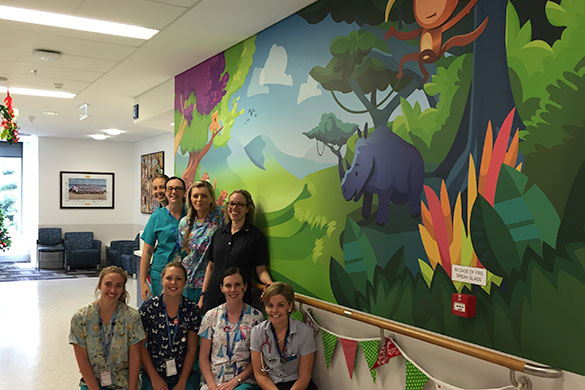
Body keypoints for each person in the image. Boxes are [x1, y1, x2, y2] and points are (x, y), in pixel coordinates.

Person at [69, 266, 145, 390]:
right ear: (100, 285)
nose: (113, 290)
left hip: (124, 384)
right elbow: (82, 360)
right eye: (108, 284)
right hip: (93, 382)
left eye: (118, 286)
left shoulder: (132, 317)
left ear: (123, 289)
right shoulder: (81, 318)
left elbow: (135, 357)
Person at [201, 190, 273, 313]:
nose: (235, 208)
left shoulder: (255, 236)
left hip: (238, 298)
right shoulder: (219, 233)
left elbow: (261, 270)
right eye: (231, 203)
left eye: (240, 204)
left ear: (247, 209)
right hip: (213, 297)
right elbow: (211, 267)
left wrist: (270, 283)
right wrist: (203, 295)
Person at [199, 267, 265, 390]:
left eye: (237, 285)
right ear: (222, 288)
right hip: (214, 381)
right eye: (228, 285)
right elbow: (203, 357)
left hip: (243, 382)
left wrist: (235, 381)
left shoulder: (256, 318)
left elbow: (258, 360)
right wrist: (212, 386)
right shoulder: (210, 316)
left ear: (244, 287)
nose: (233, 289)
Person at [139, 262, 201, 390]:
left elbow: (192, 348)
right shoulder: (148, 308)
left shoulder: (192, 310)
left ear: (185, 282)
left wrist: (182, 382)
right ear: (162, 280)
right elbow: (141, 346)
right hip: (154, 372)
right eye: (169, 278)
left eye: (178, 279)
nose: (173, 282)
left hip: (184, 374)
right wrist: (154, 377)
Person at [250, 282, 317, 390]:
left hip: (298, 385)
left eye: (280, 305)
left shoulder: (305, 332)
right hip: (271, 386)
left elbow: (304, 376)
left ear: (289, 306)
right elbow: (260, 375)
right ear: (265, 307)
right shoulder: (257, 332)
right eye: (270, 305)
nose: (275, 310)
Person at [141, 176, 188, 300]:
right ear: (167, 192)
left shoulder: (192, 214)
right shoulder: (157, 217)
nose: (173, 192)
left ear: (184, 192)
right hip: (161, 272)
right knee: (161, 310)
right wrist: (142, 283)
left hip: (187, 272)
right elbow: (147, 251)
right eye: (170, 189)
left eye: (178, 189)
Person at [179, 180, 224, 306]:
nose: (199, 200)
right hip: (189, 280)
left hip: (213, 280)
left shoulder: (220, 216)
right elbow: (188, 250)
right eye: (195, 196)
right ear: (190, 198)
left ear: (211, 198)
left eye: (204, 196)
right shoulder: (185, 223)